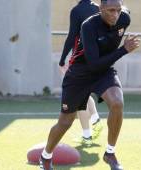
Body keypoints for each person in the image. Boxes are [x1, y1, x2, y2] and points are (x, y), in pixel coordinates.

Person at [39, 0, 140, 169]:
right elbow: (94, 64)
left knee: (117, 103)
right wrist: (123, 50)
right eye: (110, 10)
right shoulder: (88, 26)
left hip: (104, 72)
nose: (115, 14)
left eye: (118, 10)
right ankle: (46, 156)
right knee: (65, 122)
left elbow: (102, 64)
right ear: (100, 9)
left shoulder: (124, 19)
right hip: (79, 75)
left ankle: (110, 153)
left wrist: (121, 45)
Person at [59, 0, 102, 146]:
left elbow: (72, 36)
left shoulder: (77, 10)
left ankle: (87, 135)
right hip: (98, 56)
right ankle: (95, 117)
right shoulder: (98, 8)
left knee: (77, 95)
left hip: (81, 57)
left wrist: (62, 59)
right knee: (84, 91)